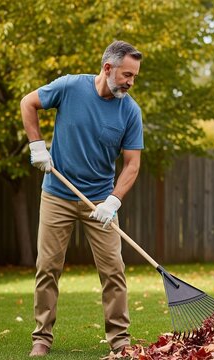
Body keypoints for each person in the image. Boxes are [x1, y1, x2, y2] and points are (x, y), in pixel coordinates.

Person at [20, 40, 143, 357]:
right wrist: (37, 147)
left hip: (101, 201)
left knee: (114, 270)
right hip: (57, 194)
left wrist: (113, 201)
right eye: (126, 75)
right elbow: (27, 103)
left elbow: (132, 164)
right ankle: (41, 339)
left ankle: (120, 340)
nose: (130, 82)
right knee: (47, 267)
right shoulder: (69, 87)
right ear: (108, 68)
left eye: (134, 76)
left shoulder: (130, 111)